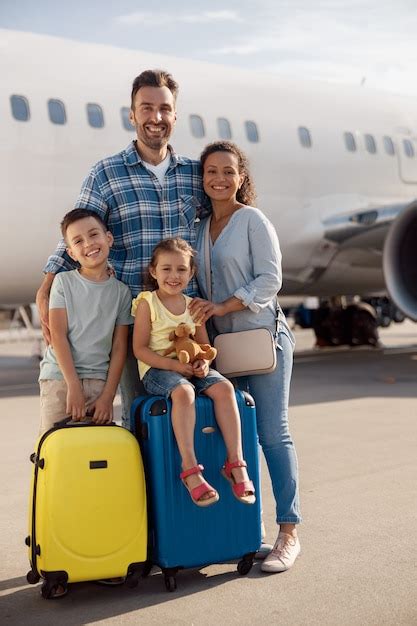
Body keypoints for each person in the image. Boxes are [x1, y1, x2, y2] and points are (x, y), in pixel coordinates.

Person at [36, 69, 206, 428]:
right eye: (146, 108)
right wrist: (47, 282)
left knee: (190, 415)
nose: (155, 117)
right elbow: (80, 233)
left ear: (175, 115)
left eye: (164, 109)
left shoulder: (194, 174)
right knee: (139, 415)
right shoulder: (105, 174)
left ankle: (183, 480)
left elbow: (225, 214)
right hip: (134, 321)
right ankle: (141, 485)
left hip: (183, 319)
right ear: (132, 115)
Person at [189, 141, 302, 572]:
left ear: (241, 177)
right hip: (221, 349)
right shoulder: (198, 228)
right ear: (202, 179)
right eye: (211, 171)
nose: (219, 179)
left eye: (228, 171)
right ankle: (245, 533)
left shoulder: (253, 219)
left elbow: (270, 279)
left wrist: (224, 306)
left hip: (263, 340)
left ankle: (289, 532)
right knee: (236, 440)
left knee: (274, 434)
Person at [132, 237, 255, 507]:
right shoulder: (147, 303)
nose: (173, 276)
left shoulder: (194, 306)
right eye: (166, 269)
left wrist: (204, 364)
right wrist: (176, 366)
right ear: (154, 272)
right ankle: (190, 469)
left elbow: (204, 346)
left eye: (181, 269)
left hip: (191, 368)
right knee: (184, 392)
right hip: (159, 370)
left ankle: (235, 463)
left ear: (191, 273)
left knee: (225, 389)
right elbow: (140, 350)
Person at [38, 208, 132, 434]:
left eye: (93, 235)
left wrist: (108, 396)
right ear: (71, 253)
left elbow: (119, 347)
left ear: (108, 238)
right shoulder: (63, 282)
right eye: (78, 241)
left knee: (94, 456)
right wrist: (73, 387)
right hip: (60, 379)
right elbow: (58, 336)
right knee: (53, 450)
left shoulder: (122, 292)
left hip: (99, 383)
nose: (88, 244)